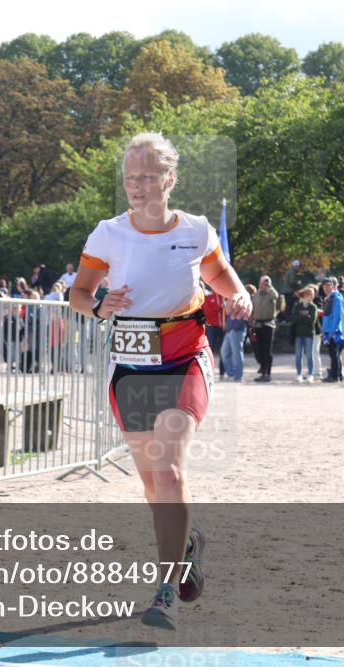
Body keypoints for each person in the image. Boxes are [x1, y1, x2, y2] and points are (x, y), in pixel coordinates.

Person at [68, 132, 253, 630]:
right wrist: (98, 304)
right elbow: (80, 294)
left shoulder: (195, 231)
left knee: (169, 469)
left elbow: (223, 276)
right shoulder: (108, 234)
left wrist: (239, 298)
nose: (137, 185)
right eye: (130, 177)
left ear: (170, 179)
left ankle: (165, 589)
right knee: (153, 484)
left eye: (148, 175)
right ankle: (187, 545)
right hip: (130, 366)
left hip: (183, 357)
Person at [251, 275, 284, 382]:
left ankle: (267, 373)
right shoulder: (255, 295)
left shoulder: (271, 294)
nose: (264, 285)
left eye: (266, 283)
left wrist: (269, 286)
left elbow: (276, 296)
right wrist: (251, 322)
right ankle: (262, 367)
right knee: (257, 350)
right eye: (263, 283)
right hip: (257, 325)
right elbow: (252, 308)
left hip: (268, 325)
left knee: (266, 350)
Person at [289, 285, 318, 382]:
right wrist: (305, 316)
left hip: (309, 334)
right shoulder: (297, 306)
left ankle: (310, 374)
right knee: (298, 356)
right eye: (309, 295)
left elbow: (312, 320)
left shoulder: (313, 307)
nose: (311, 297)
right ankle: (299, 374)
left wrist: (302, 317)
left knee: (309, 355)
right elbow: (294, 318)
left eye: (312, 295)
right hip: (298, 334)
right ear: (304, 295)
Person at [321, 278, 343, 382]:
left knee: (334, 354)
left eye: (328, 285)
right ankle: (336, 375)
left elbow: (337, 316)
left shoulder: (336, 298)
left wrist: (332, 332)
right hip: (328, 330)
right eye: (324, 286)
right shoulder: (329, 298)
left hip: (334, 331)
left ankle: (335, 376)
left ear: (334, 286)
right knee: (333, 354)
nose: (326, 288)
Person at [201, 288, 226, 379]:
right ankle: (208, 370)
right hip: (212, 327)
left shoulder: (223, 297)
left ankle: (222, 371)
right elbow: (208, 311)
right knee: (210, 349)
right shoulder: (208, 297)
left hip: (222, 327)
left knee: (223, 350)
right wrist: (220, 306)